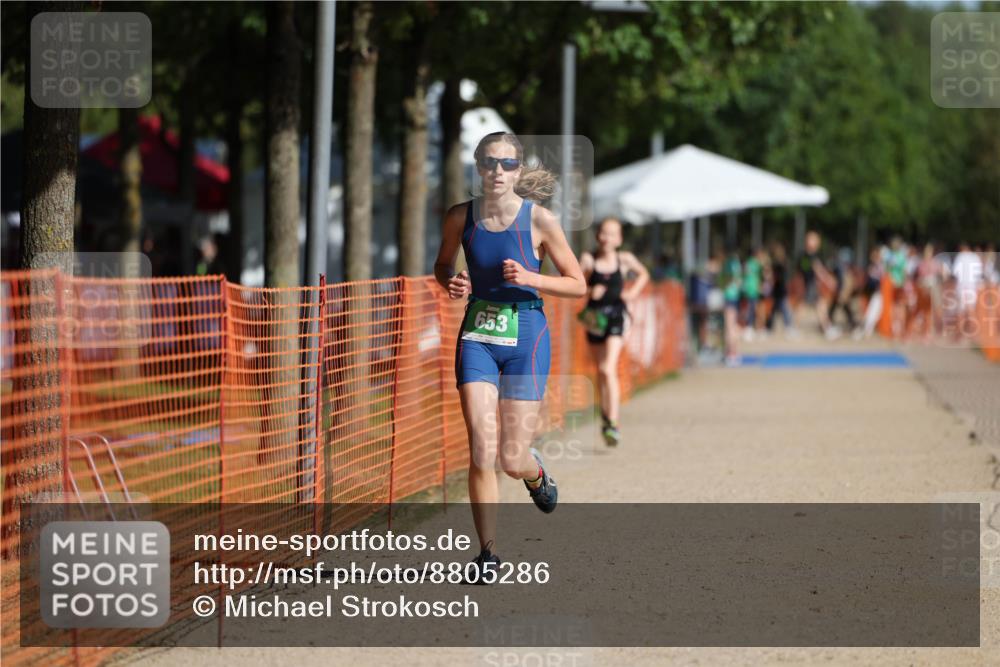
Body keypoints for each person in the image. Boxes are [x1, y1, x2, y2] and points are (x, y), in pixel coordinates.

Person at [432, 131, 586, 580]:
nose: (498, 171)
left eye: (507, 163)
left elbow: (577, 284)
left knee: (510, 459)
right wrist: (453, 282)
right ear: (478, 166)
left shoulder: (540, 221)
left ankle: (534, 473)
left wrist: (532, 278)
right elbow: (442, 265)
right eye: (489, 162)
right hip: (478, 334)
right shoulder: (460, 217)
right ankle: (488, 555)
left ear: (518, 170)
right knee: (481, 449)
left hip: (527, 337)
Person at [578, 217, 650, 447]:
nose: (606, 238)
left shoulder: (624, 259)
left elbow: (644, 274)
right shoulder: (588, 260)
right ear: (597, 235)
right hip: (594, 318)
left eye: (611, 234)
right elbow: (574, 285)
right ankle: (606, 417)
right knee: (600, 372)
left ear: (619, 239)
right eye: (602, 232)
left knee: (607, 368)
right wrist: (591, 291)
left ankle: (614, 422)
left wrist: (632, 293)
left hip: (617, 316)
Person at [799, 231, 838, 339]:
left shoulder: (806, 255)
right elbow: (819, 270)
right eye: (815, 240)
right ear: (809, 242)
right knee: (805, 306)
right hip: (810, 284)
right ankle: (792, 326)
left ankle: (827, 328)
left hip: (811, 284)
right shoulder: (810, 256)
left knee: (820, 306)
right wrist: (829, 280)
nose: (817, 242)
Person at [765, 243, 795, 337]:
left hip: (780, 290)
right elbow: (774, 278)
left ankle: (772, 327)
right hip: (778, 290)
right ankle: (771, 327)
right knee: (779, 309)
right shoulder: (777, 264)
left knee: (779, 309)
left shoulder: (782, 264)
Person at [720, 247, 743, 366]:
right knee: (733, 325)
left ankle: (731, 353)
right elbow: (739, 282)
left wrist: (722, 286)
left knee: (729, 326)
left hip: (730, 297)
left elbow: (728, 280)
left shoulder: (729, 264)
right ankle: (734, 352)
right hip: (735, 296)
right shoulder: (737, 263)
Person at [742, 247, 764, 341]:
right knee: (752, 309)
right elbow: (760, 277)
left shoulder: (747, 263)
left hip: (748, 289)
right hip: (753, 290)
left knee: (750, 309)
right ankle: (750, 328)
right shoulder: (756, 264)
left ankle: (751, 328)